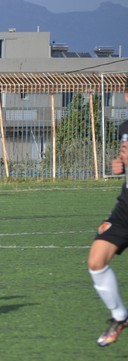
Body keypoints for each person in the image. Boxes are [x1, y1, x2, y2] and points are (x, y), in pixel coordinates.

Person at [88, 96, 128, 347]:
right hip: (125, 208)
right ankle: (120, 317)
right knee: (96, 261)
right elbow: (124, 162)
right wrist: (119, 165)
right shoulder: (125, 127)